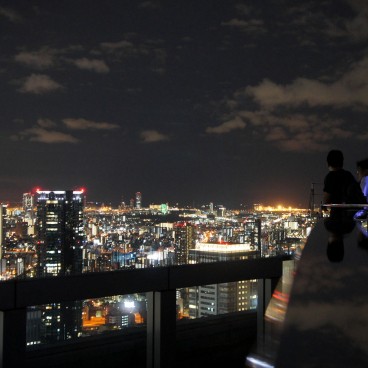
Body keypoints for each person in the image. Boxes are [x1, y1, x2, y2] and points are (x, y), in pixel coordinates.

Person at [323, 149, 366, 219]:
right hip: (353, 215)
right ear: (342, 162)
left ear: (328, 163)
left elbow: (326, 199)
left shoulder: (330, 177)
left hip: (338, 215)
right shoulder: (348, 175)